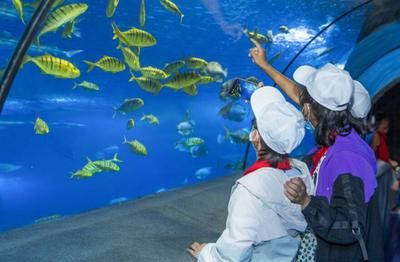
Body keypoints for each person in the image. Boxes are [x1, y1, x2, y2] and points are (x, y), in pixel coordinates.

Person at [249, 39, 384, 261]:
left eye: (305, 102)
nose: (301, 105)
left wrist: (306, 202)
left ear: (310, 108)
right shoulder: (343, 132)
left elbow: (350, 227)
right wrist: (265, 66)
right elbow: (297, 94)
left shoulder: (346, 159)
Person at [187, 86, 314, 261]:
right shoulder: (301, 170)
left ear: (254, 137)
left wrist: (206, 253)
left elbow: (234, 253)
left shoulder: (251, 188)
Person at [371, 112, 399, 210]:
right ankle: (391, 206)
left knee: (395, 184)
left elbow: (384, 154)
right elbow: (373, 153)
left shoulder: (383, 137)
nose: (386, 125)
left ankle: (392, 205)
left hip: (386, 165)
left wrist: (390, 162)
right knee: (394, 185)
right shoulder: (376, 136)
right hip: (382, 167)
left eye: (387, 122)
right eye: (383, 123)